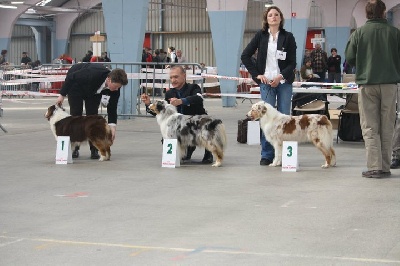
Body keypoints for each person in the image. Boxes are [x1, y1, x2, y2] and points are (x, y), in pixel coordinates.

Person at [345, 0, 400, 178]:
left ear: (367, 14)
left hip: (367, 83)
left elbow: (350, 58)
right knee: (387, 125)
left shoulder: (359, 33)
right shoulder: (395, 33)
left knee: (370, 126)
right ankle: (385, 167)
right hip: (390, 84)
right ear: (384, 12)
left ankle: (374, 167)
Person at [241, 5, 297, 166]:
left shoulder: (288, 37)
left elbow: (292, 62)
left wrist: (280, 76)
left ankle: (286, 155)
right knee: (266, 120)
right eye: (270, 15)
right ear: (266, 19)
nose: (273, 17)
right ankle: (267, 154)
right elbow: (245, 55)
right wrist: (257, 75)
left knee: (285, 119)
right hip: (266, 83)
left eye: (276, 14)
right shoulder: (260, 36)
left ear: (280, 18)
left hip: (284, 82)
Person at [140, 65, 213, 164]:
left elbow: (199, 98)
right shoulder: (169, 94)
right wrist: (148, 104)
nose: (173, 80)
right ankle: (184, 151)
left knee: (207, 129)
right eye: (171, 77)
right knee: (169, 142)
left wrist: (181, 101)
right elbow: (161, 113)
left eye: (176, 77)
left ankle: (209, 153)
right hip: (180, 129)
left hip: (195, 126)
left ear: (184, 75)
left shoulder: (194, 88)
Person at [55, 63, 128, 159]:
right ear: (109, 79)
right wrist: (62, 95)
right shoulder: (92, 73)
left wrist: (112, 127)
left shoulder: (115, 89)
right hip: (76, 85)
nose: (117, 89)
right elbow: (70, 77)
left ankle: (94, 149)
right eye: (116, 86)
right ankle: (75, 148)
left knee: (93, 117)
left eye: (119, 87)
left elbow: (112, 108)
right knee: (76, 115)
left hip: (94, 91)